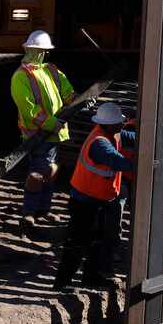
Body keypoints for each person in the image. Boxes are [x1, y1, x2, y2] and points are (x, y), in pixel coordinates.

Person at [53, 102, 136, 291]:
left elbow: (129, 137)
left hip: (98, 200)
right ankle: (62, 284)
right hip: (85, 202)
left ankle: (91, 278)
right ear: (108, 124)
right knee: (77, 244)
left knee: (96, 242)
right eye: (118, 123)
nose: (121, 125)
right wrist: (142, 161)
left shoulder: (109, 133)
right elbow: (117, 161)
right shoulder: (99, 142)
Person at [10, 30, 75, 228]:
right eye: (36, 50)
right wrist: (50, 123)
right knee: (38, 173)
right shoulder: (20, 77)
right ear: (29, 49)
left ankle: (42, 210)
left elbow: (67, 91)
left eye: (42, 51)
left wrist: (77, 101)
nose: (39, 53)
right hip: (38, 135)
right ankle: (29, 212)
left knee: (49, 172)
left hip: (54, 134)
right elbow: (30, 109)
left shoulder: (52, 70)